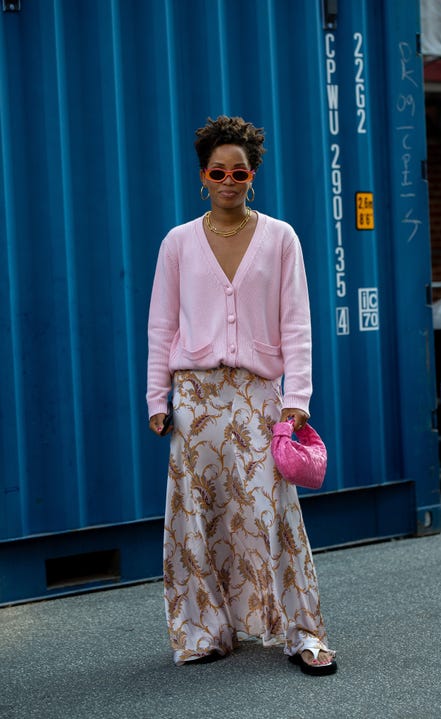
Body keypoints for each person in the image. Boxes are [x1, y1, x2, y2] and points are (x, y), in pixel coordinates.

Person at [147, 115, 337, 675]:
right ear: (202, 175)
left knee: (274, 512)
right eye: (217, 171)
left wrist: (296, 396)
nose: (229, 180)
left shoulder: (281, 238)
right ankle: (206, 631)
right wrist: (158, 400)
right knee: (196, 516)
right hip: (196, 399)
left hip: (258, 397)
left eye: (240, 170)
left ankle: (304, 633)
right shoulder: (178, 243)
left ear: (253, 174)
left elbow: (297, 323)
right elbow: (161, 326)